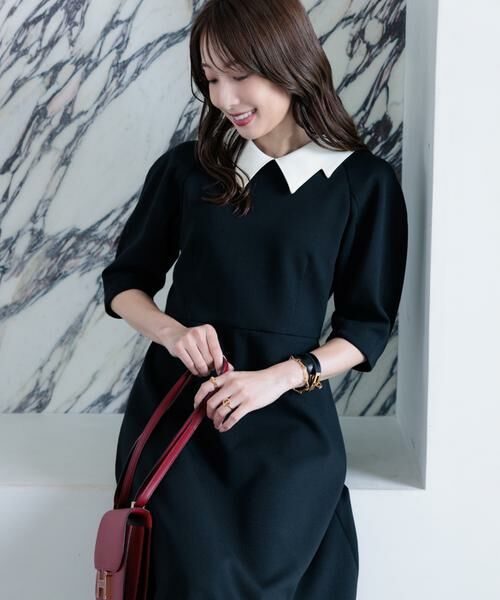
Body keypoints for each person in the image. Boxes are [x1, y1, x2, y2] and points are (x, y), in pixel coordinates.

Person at [100, 0, 408, 598]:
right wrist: (172, 332)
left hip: (289, 421)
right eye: (211, 79)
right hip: (184, 413)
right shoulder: (187, 171)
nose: (224, 98)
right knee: (199, 578)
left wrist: (277, 379)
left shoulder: (362, 184)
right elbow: (124, 284)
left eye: (239, 75)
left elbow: (366, 327)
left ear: (288, 62)